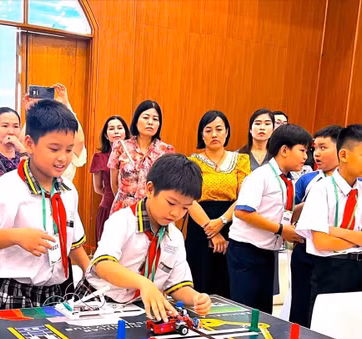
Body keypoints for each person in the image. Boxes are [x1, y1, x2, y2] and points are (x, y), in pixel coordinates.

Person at [0, 99, 90, 309]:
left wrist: (92, 273)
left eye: (69, 150)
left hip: (53, 293)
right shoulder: (7, 187)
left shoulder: (68, 191)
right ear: (30, 144)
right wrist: (16, 236)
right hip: (8, 291)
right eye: (54, 149)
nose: (63, 158)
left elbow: (74, 243)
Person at [88, 153, 212, 320]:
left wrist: (196, 298)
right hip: (100, 303)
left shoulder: (174, 237)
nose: (176, 213)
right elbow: (103, 265)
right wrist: (142, 283)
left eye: (185, 208)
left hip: (140, 309)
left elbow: (177, 286)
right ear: (150, 189)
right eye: (171, 203)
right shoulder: (122, 220)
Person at [296, 125, 362, 313]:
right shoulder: (322, 190)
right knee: (324, 324)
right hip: (330, 268)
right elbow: (322, 242)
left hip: (359, 267)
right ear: (344, 155)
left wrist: (335, 231)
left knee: (350, 325)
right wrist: (359, 239)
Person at [228, 124, 309, 313]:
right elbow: (242, 212)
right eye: (302, 150)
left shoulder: (288, 180)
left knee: (263, 311)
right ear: (284, 150)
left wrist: (304, 208)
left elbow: (280, 211)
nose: (306, 157)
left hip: (267, 252)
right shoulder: (261, 176)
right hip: (246, 252)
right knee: (244, 311)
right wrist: (281, 230)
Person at [186, 110, 250, 297]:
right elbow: (189, 200)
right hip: (200, 223)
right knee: (200, 279)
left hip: (232, 222)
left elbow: (244, 197)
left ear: (227, 132)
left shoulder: (241, 160)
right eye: (208, 130)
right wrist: (210, 229)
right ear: (201, 134)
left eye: (219, 129)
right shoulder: (192, 162)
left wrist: (221, 222)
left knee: (227, 281)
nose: (214, 134)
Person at [108, 100, 175, 213]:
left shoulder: (166, 151)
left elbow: (168, 185)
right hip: (123, 209)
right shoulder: (120, 146)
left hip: (152, 210)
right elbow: (114, 183)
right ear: (136, 121)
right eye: (146, 117)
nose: (150, 122)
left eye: (155, 119)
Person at [91, 115, 129, 241]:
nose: (116, 131)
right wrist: (110, 194)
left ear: (126, 133)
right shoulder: (99, 157)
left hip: (130, 209)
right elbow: (97, 188)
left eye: (120, 128)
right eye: (111, 128)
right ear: (106, 135)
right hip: (107, 208)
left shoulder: (134, 156)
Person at [0, 106, 26, 177]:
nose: (11, 132)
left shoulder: (24, 154)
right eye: (5, 126)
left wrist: (22, 149)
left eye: (15, 126)